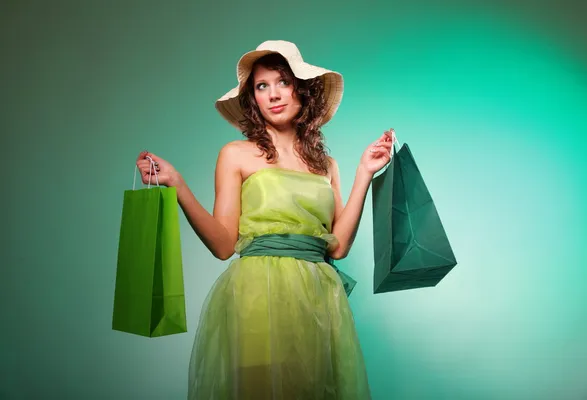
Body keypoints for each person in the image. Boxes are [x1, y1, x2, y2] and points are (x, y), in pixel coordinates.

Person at [136, 40, 394, 399]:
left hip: (319, 297)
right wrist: (177, 184)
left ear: (302, 90)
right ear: (253, 98)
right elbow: (224, 245)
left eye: (283, 82)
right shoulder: (236, 154)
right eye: (262, 86)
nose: (273, 94)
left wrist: (365, 173)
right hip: (258, 293)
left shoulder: (326, 165)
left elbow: (340, 246)